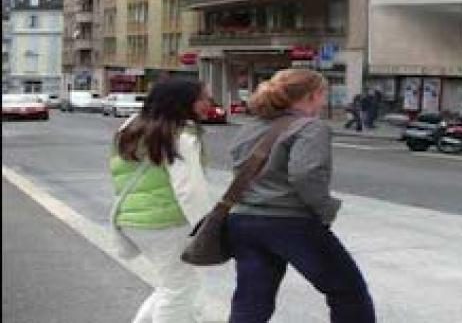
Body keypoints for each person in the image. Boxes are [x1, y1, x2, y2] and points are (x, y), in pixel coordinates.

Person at [227, 69, 375, 323]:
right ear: (312, 95)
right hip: (290, 221)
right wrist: (326, 209)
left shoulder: (253, 126)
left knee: (252, 301)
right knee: (348, 293)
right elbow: (306, 174)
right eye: (322, 94)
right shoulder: (310, 127)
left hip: (243, 220)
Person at [109, 77, 215, 323]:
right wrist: (206, 227)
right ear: (184, 102)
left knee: (171, 284)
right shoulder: (181, 137)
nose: (209, 103)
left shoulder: (131, 127)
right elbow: (189, 189)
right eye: (203, 98)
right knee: (181, 290)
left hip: (133, 219)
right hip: (166, 223)